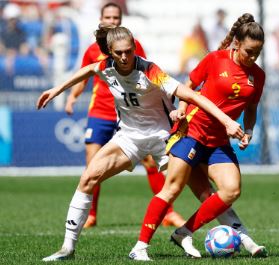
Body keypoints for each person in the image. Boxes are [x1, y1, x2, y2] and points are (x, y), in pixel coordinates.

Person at [38, 24, 243, 261]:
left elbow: (193, 95)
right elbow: (88, 70)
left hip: (165, 138)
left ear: (134, 47)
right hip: (129, 137)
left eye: (129, 51)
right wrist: (56, 89)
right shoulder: (106, 67)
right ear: (110, 53)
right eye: (119, 53)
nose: (125, 57)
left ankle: (243, 238)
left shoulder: (151, 71)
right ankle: (67, 249)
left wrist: (227, 121)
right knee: (87, 178)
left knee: (204, 192)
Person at [128, 13, 266, 260]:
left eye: (257, 52)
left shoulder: (258, 75)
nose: (253, 58)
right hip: (191, 131)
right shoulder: (215, 60)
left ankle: (185, 231)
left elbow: (252, 108)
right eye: (249, 51)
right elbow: (188, 87)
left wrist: (249, 131)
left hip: (218, 141)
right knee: (172, 188)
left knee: (231, 190)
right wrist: (180, 109)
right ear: (236, 44)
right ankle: (140, 247)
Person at [64, 2, 185, 228]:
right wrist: (72, 97)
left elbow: (149, 78)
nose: (112, 21)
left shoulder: (133, 45)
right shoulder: (92, 50)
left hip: (132, 114)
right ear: (101, 19)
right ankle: (91, 215)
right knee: (93, 162)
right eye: (108, 17)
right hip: (100, 112)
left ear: (121, 20)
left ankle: (168, 212)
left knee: (151, 160)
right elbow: (83, 75)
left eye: (116, 18)